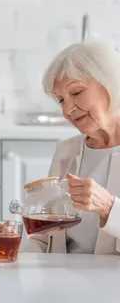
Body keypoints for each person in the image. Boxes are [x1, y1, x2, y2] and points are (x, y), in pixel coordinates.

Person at [25, 42, 120, 255]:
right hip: (62, 281)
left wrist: (109, 207)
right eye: (61, 100)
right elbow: (44, 237)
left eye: (76, 92)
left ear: (109, 84)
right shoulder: (66, 151)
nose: (68, 109)